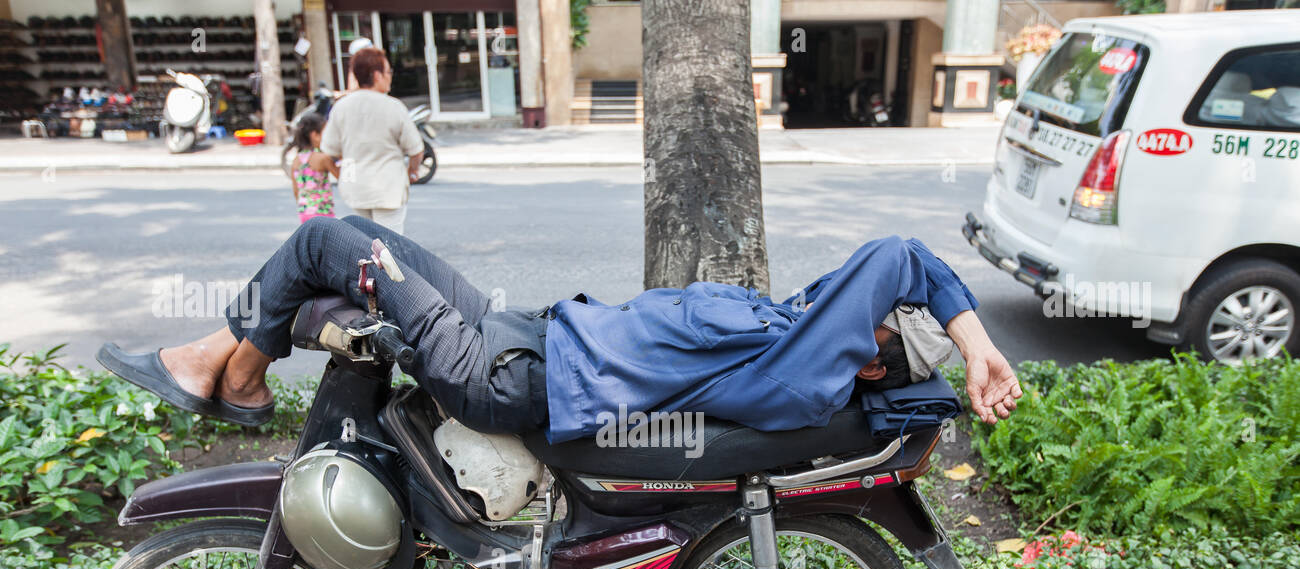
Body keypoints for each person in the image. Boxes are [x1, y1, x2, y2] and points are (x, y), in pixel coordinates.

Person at [97, 216, 1021, 434]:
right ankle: (233, 360)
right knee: (365, 238)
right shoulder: (792, 321)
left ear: (865, 360)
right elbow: (888, 277)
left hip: (514, 378)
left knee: (327, 239)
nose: (849, 311)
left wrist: (977, 350)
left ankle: (226, 368)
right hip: (522, 332)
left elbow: (901, 258)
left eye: (873, 329)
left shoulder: (803, 365)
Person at [319, 48, 423, 235]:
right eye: (388, 72)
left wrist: (342, 172)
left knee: (364, 246)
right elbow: (416, 150)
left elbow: (329, 151)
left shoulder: (341, 107)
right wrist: (412, 171)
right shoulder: (393, 106)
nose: (390, 77)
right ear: (377, 75)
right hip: (388, 188)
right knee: (389, 248)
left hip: (356, 189)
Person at [288, 112, 337, 223]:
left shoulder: (296, 160)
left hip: (304, 212)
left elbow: (296, 191)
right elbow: (340, 176)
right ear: (315, 135)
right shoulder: (322, 158)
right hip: (323, 212)